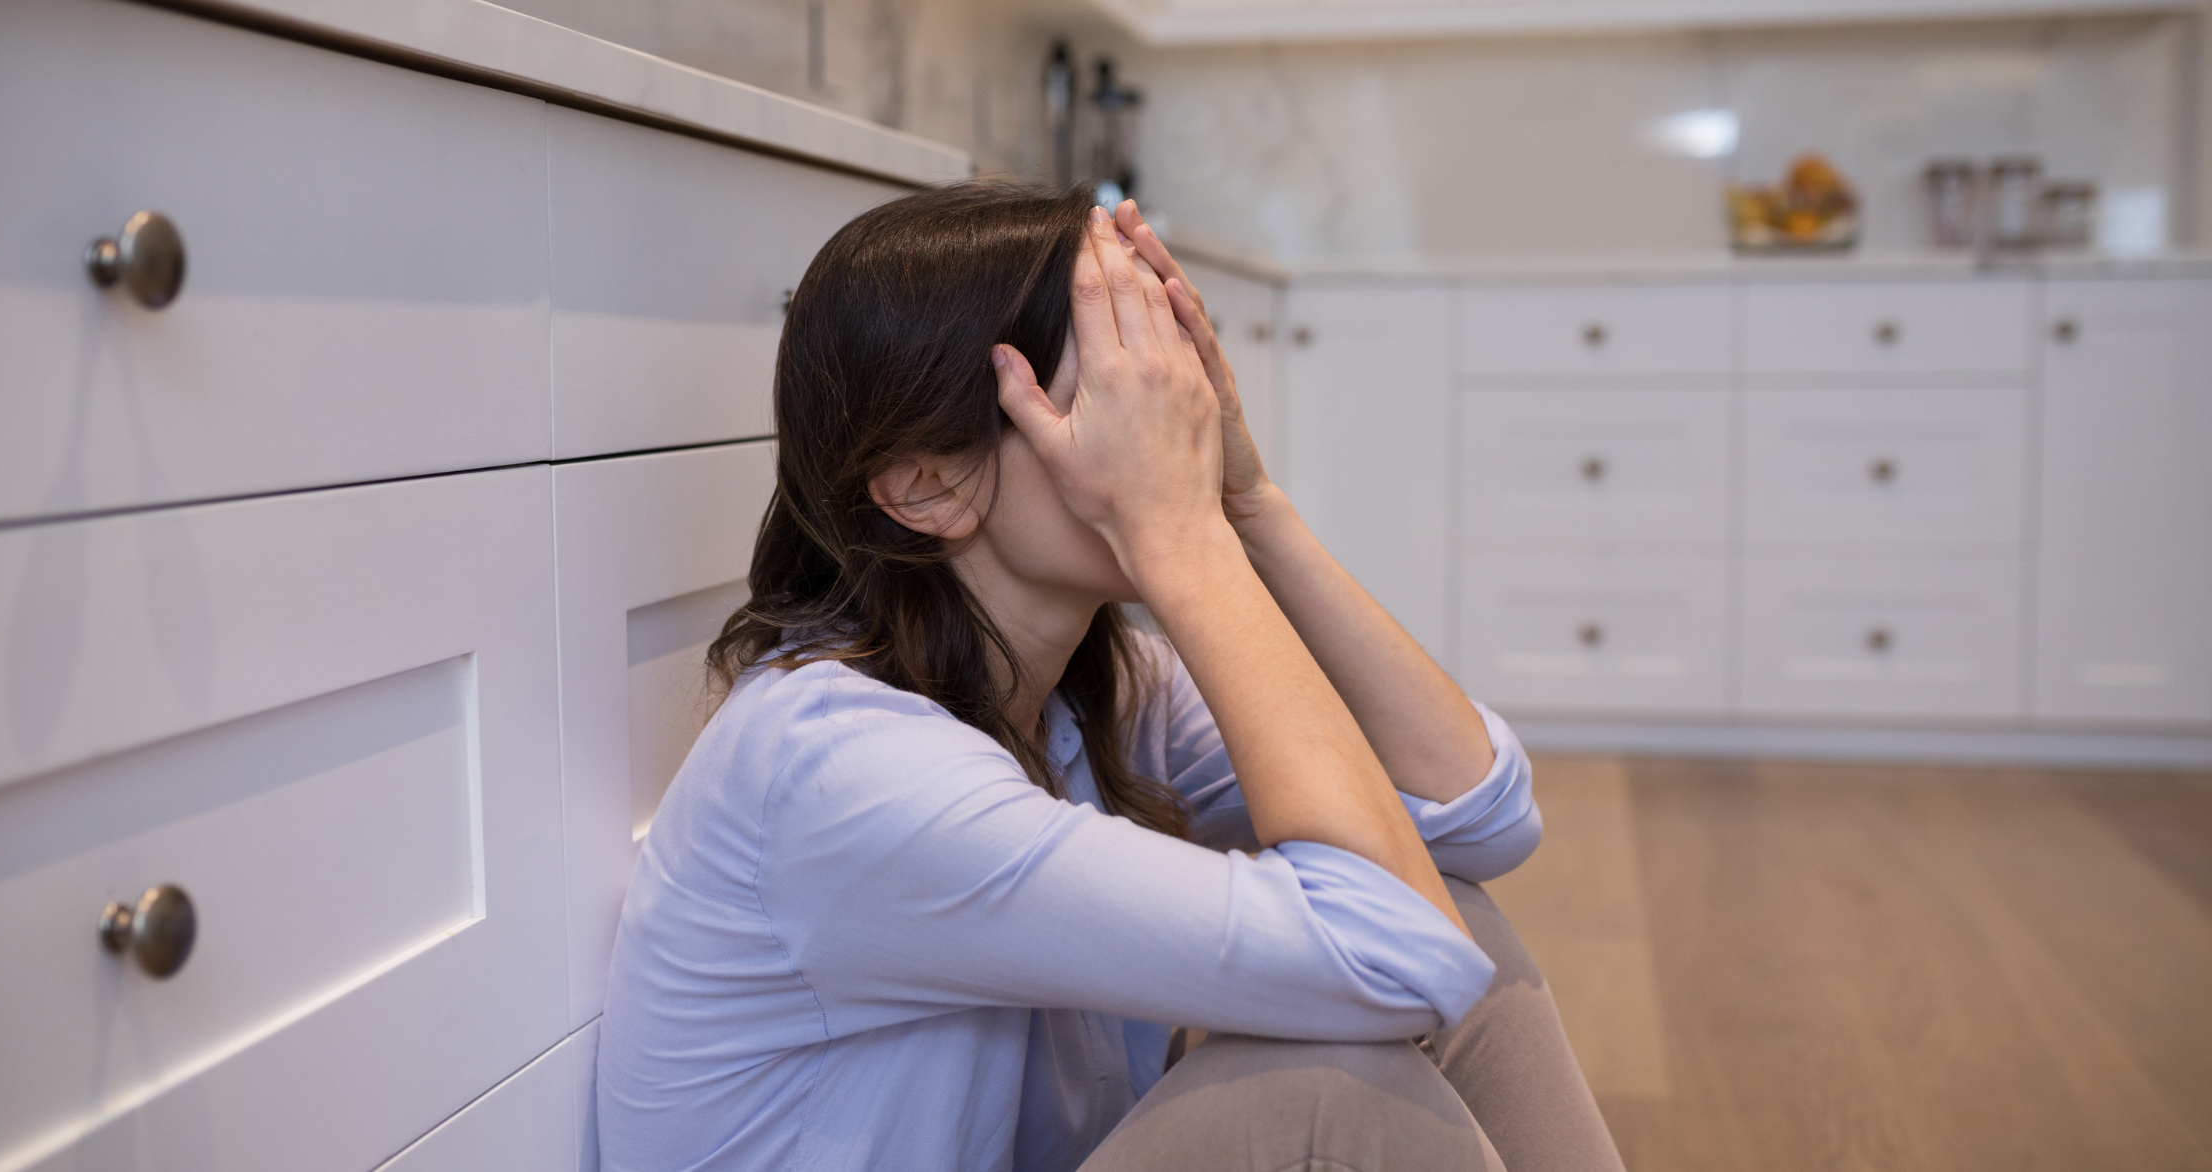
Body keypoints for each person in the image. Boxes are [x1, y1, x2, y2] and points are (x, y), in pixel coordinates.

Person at [596, 182, 1623, 1172]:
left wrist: (1247, 501)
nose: (1161, 437)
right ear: (924, 485)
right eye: (1113, 400)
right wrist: (1180, 537)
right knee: (1324, 1091)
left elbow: (1478, 814)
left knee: (1453, 917)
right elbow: (1396, 958)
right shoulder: (839, 767)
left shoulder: (1092, 689)